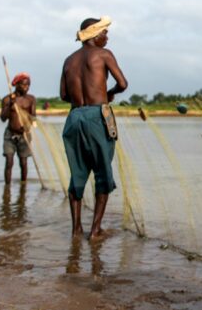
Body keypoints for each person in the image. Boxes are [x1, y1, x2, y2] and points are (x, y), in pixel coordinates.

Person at [60, 16, 128, 239]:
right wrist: (109, 94)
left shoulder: (69, 61)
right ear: (94, 34)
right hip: (98, 115)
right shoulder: (103, 55)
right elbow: (123, 84)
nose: (107, 37)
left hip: (74, 117)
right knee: (102, 172)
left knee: (77, 173)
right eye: (104, 33)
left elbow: (63, 95)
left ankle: (76, 229)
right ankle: (95, 230)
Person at [0, 72, 36, 184]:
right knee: (9, 161)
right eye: (24, 85)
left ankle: (23, 185)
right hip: (10, 135)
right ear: (17, 85)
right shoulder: (7, 99)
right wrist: (10, 104)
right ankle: (7, 188)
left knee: (23, 162)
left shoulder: (31, 99)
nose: (26, 88)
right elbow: (3, 118)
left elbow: (33, 116)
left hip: (24, 135)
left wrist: (30, 125)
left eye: (28, 85)